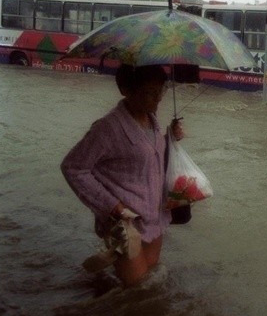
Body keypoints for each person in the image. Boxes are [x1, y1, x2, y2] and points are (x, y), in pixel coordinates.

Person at [61, 64, 184, 287]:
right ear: (125, 90)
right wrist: (112, 206)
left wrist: (170, 140)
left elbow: (146, 158)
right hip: (125, 222)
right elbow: (73, 167)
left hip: (154, 215)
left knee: (150, 283)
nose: (157, 99)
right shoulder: (107, 128)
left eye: (161, 91)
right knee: (137, 290)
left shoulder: (152, 121)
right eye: (149, 92)